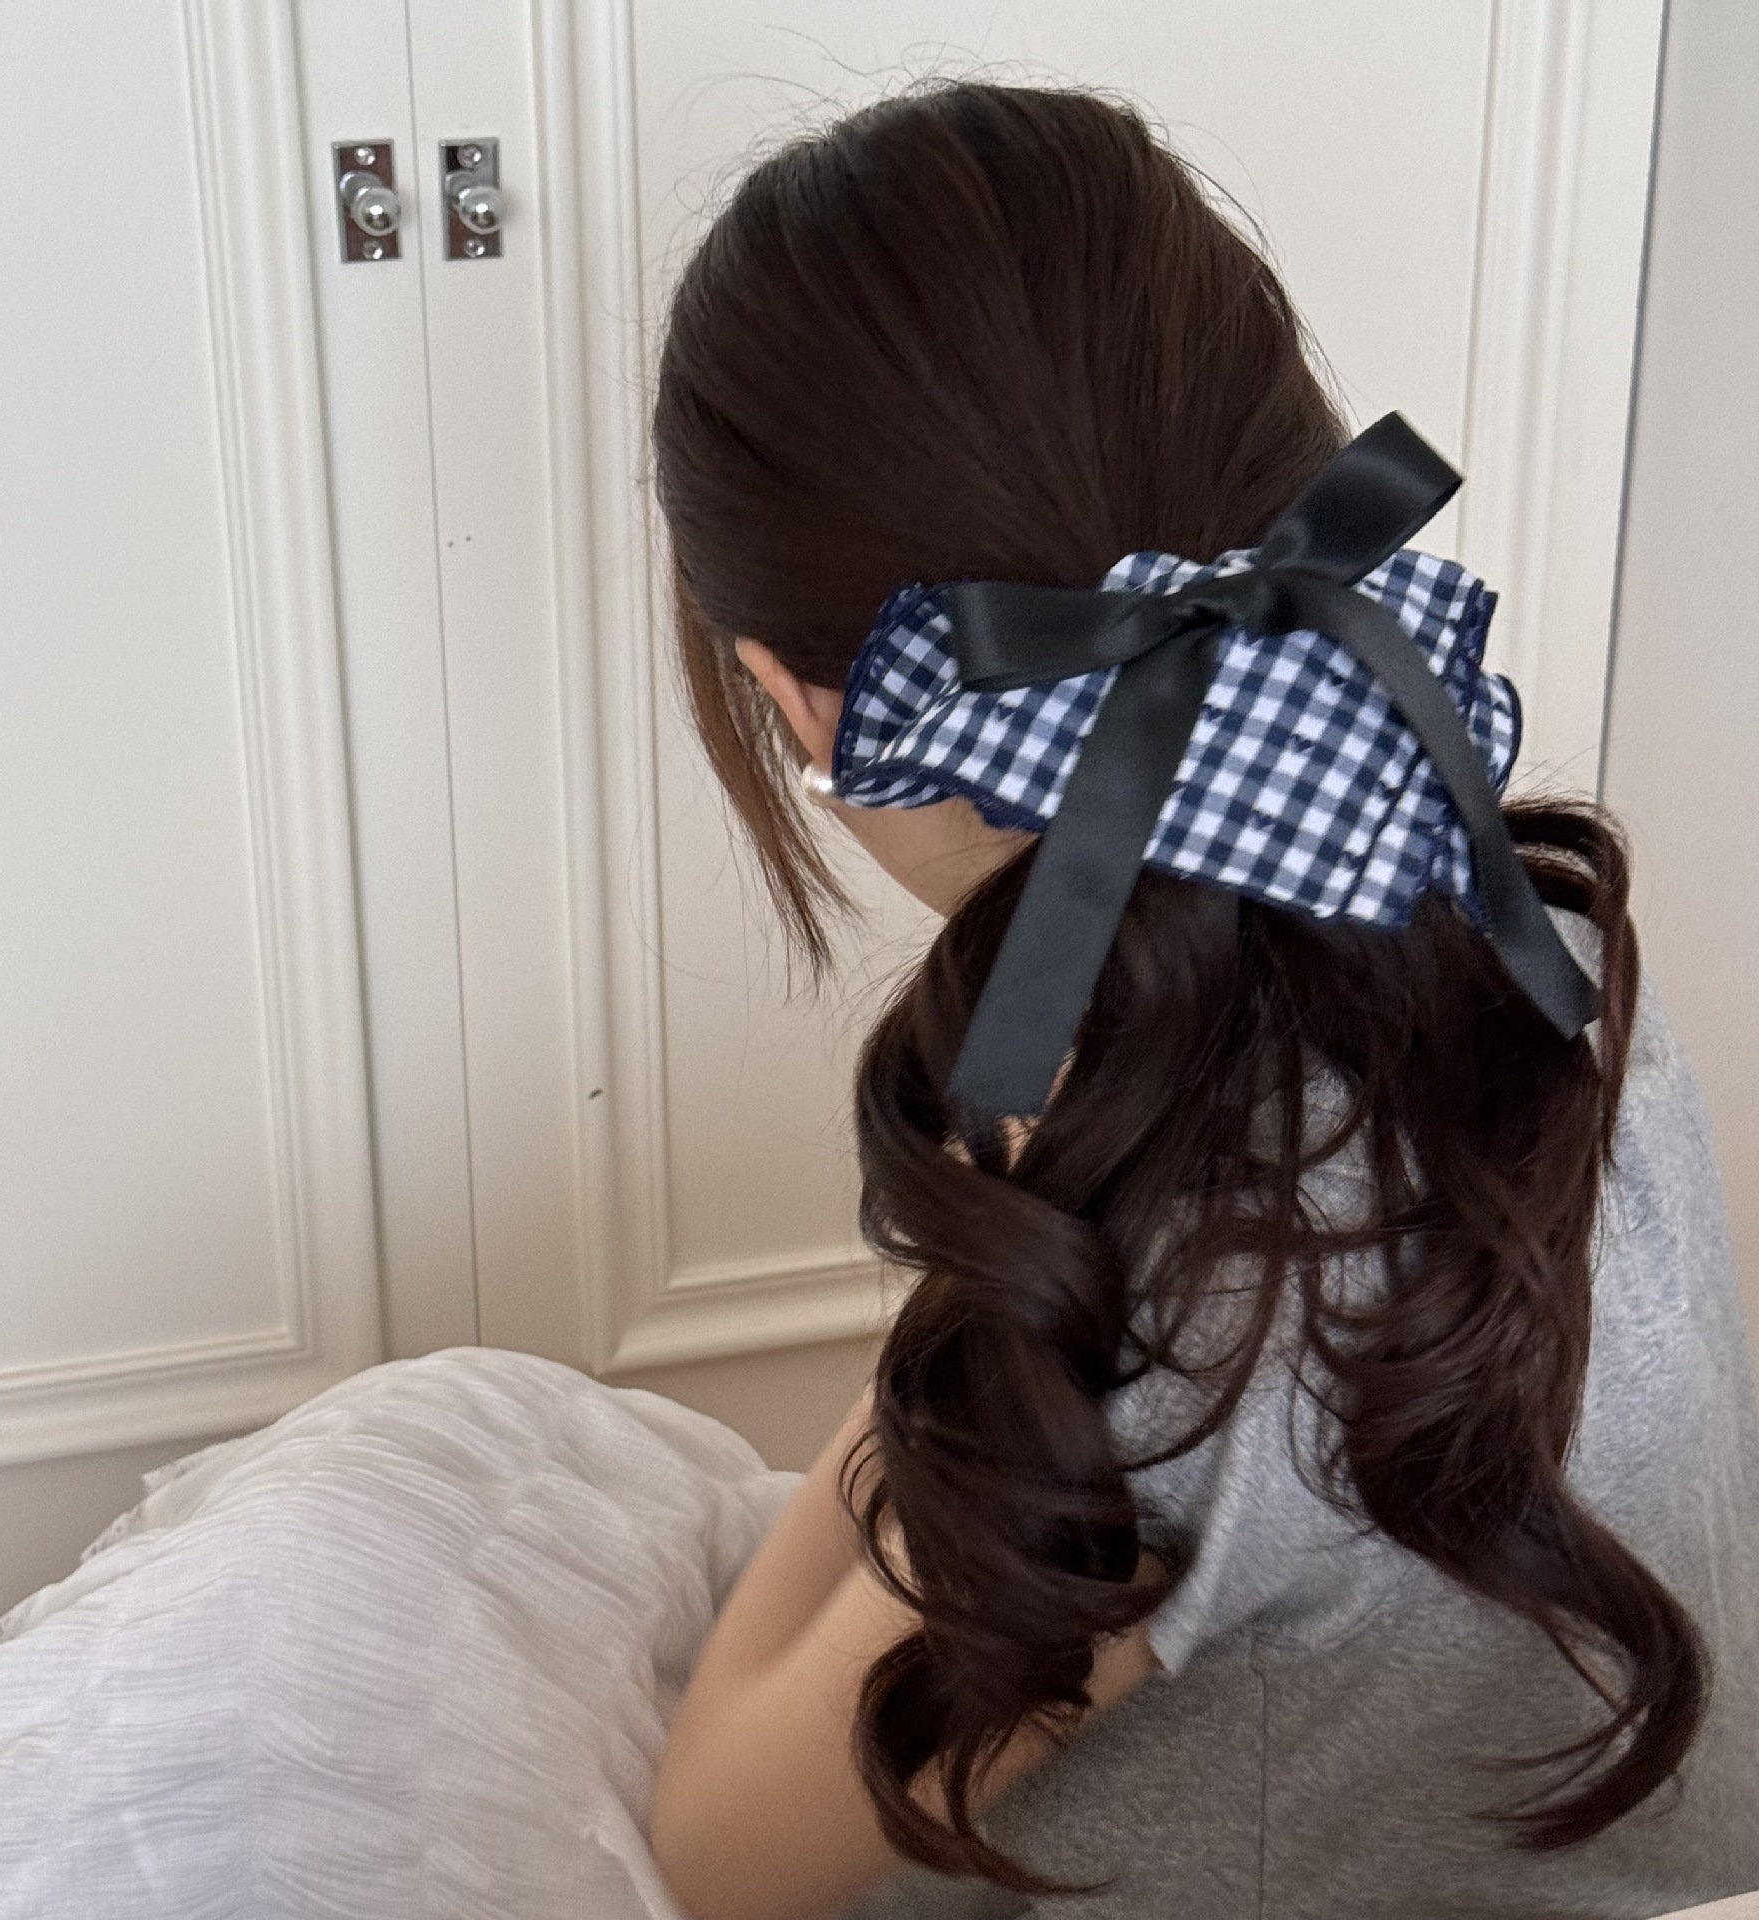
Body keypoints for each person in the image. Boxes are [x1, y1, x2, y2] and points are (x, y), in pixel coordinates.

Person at [645, 82, 1759, 1920]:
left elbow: (717, 1852)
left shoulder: (1199, 1272)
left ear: (797, 699)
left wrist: (1004, 1267)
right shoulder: (1541, 962)